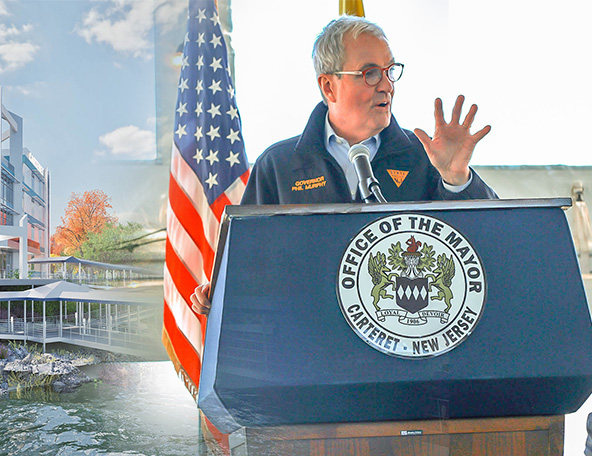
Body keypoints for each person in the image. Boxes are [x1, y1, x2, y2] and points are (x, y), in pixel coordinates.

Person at [190, 15, 497, 314]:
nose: (387, 86)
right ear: (328, 87)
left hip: (405, 338)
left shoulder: (425, 156)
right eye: (370, 73)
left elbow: (487, 247)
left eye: (391, 71)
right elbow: (250, 267)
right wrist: (218, 294)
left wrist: (457, 179)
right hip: (311, 349)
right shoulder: (278, 165)